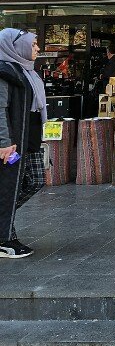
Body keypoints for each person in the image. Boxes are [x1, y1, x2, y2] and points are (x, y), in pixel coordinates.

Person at [0, 29, 47, 258]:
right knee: (10, 187)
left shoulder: (26, 71)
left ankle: (3, 224)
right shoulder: (5, 71)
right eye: (34, 44)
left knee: (36, 180)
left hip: (30, 136)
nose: (38, 48)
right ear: (17, 47)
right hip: (13, 141)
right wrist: (4, 142)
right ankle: (5, 238)